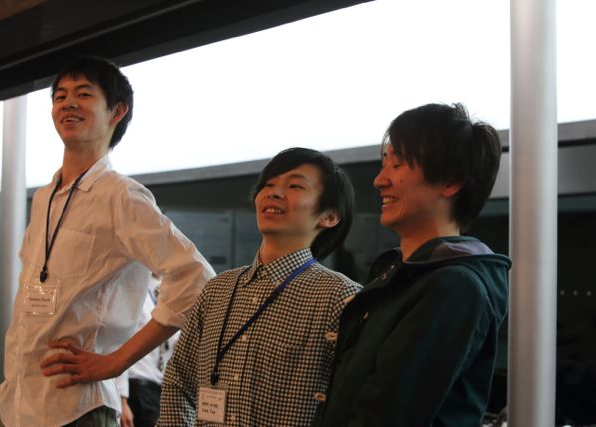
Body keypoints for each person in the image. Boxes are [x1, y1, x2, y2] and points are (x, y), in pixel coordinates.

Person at [0, 56, 215, 427]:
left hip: (76, 407)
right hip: (17, 402)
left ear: (117, 111)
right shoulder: (45, 196)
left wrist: (115, 362)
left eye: (83, 94)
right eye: (60, 96)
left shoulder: (121, 195)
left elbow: (197, 279)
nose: (68, 103)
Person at [313, 103, 511, 426]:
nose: (379, 180)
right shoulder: (403, 272)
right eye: (384, 164)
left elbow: (386, 415)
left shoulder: (453, 286)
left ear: (451, 181)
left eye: (398, 164)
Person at [157, 147, 362, 426]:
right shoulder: (218, 289)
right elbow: (179, 380)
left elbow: (355, 403)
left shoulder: (342, 297)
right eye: (268, 184)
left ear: (329, 216)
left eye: (295, 186)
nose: (274, 193)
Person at [117, 276, 180, 427]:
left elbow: (171, 341)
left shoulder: (168, 290)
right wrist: (122, 399)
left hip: (160, 389)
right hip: (137, 387)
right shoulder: (134, 286)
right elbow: (119, 340)